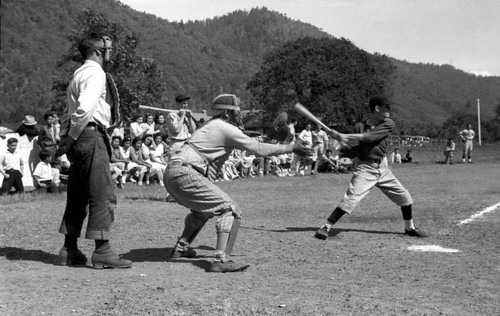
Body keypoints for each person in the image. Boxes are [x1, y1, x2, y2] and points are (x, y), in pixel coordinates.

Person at [164, 94, 312, 273]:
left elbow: (251, 142)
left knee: (203, 211)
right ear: (227, 113)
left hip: (173, 172)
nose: (240, 115)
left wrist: (269, 138)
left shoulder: (212, 126)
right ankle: (220, 259)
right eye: (237, 111)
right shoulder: (225, 127)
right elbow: (256, 148)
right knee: (230, 208)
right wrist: (291, 147)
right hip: (185, 173)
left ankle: (180, 248)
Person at [55, 33, 132, 269]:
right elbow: (85, 109)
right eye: (108, 46)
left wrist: (69, 139)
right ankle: (102, 250)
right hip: (89, 135)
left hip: (80, 138)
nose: (111, 50)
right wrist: (71, 138)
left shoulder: (79, 74)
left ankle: (69, 249)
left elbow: (74, 111)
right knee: (101, 193)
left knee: (77, 194)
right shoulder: (96, 73)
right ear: (98, 51)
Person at [314, 95, 427, 240]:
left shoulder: (388, 123)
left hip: (382, 168)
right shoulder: (359, 127)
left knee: (405, 197)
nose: (389, 110)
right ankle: (326, 226)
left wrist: (345, 135)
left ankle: (409, 227)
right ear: (377, 108)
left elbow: (370, 137)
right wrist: (341, 142)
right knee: (352, 198)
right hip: (365, 168)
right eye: (387, 107)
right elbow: (353, 151)